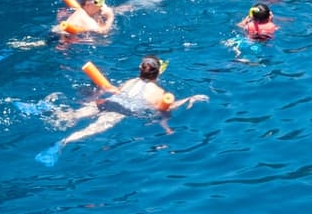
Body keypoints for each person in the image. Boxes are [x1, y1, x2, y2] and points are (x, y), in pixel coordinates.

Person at [53, 56, 205, 153]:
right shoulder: (158, 92)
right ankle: (63, 143)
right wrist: (190, 98)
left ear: (140, 70)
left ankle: (59, 115)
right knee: (89, 130)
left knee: (72, 115)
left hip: (107, 102)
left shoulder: (131, 81)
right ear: (158, 73)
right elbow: (167, 108)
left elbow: (117, 92)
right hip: (119, 112)